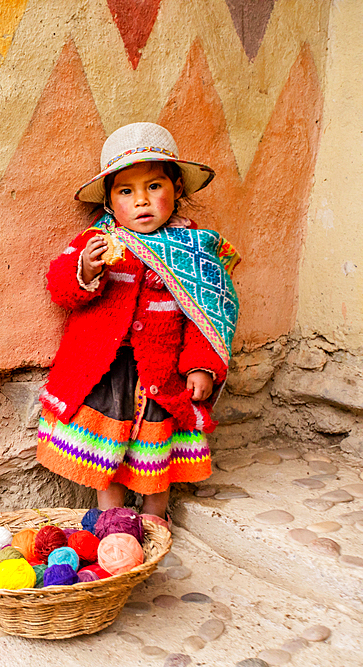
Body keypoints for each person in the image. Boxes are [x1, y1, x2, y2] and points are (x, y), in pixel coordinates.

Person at [35, 122, 240, 524]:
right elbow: (61, 288)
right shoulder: (96, 240)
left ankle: (154, 517)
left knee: (155, 447)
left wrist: (201, 366)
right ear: (111, 202)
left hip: (163, 374)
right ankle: (112, 519)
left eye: (154, 187)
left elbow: (208, 314)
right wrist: (85, 268)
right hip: (106, 370)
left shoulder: (195, 252)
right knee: (104, 448)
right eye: (126, 191)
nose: (141, 201)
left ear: (177, 189)